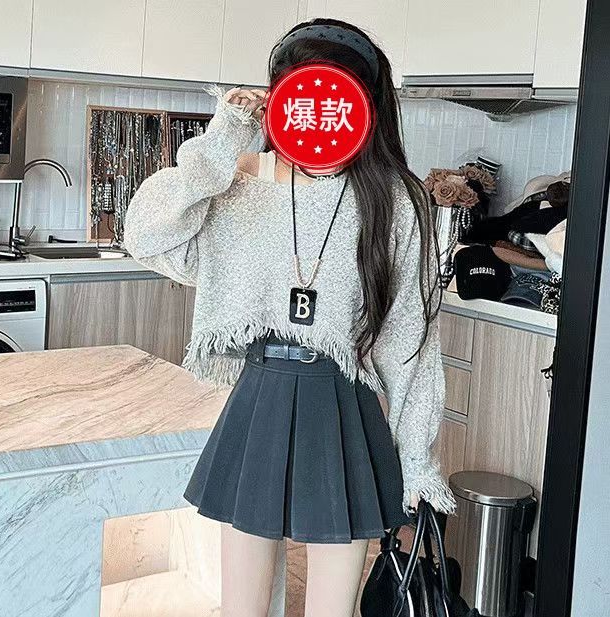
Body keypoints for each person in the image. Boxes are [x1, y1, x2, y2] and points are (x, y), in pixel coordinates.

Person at [123, 16, 456, 617]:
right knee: (242, 609)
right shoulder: (240, 183)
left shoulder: (394, 199)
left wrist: (415, 466)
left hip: (346, 404)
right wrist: (224, 141)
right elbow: (145, 234)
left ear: (362, 104)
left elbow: (411, 345)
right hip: (261, 397)